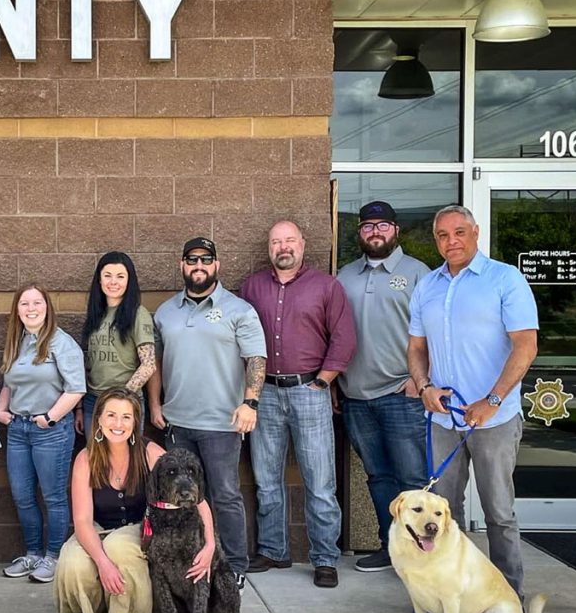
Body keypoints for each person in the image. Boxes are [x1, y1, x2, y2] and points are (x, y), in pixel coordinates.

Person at [408, 205, 538, 598]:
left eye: (459, 232)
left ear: (475, 232)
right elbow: (415, 348)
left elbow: (526, 345)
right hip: (445, 422)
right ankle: (453, 594)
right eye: (443, 235)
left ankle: (507, 599)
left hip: (493, 421)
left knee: (498, 513)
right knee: (443, 515)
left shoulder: (505, 279)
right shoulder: (427, 286)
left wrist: (492, 400)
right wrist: (424, 386)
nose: (451, 242)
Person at [240, 221, 355, 589]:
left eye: (289, 240)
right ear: (269, 247)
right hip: (265, 394)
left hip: (310, 390)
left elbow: (344, 336)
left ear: (302, 244)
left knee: (319, 481)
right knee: (266, 479)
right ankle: (274, 550)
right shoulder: (251, 287)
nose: (283, 246)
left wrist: (324, 381)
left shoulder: (326, 286)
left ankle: (324, 558)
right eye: (276, 241)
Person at [147, 237, 266, 589]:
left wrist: (251, 402)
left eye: (206, 260)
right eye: (191, 260)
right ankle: (192, 560)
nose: (198, 266)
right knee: (178, 497)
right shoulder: (166, 311)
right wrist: (154, 404)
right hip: (176, 422)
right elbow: (154, 363)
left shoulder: (239, 310)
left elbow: (256, 359)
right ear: (182, 265)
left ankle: (234, 565)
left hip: (222, 423)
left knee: (224, 494)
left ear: (216, 265)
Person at [54, 388, 216, 613]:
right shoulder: (86, 459)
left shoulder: (150, 453)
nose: (118, 424)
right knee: (73, 561)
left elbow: (197, 500)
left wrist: (210, 545)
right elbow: (83, 521)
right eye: (111, 415)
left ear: (135, 422)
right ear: (98, 419)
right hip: (98, 526)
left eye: (126, 417)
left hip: (140, 525)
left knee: (120, 547)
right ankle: (96, 611)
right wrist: (102, 563)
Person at [337, 201, 430, 572]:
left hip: (400, 393)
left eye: (383, 226)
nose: (375, 232)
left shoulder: (418, 274)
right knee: (378, 477)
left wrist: (419, 381)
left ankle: (424, 553)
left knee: (413, 479)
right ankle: (390, 547)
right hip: (356, 397)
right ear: (359, 233)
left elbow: (435, 334)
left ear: (396, 230)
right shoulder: (345, 275)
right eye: (367, 227)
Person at [0, 284, 86, 584]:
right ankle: (33, 554)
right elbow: (10, 381)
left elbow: (76, 389)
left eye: (37, 303)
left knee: (53, 497)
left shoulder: (61, 343)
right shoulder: (17, 341)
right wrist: (1, 409)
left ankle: (53, 556)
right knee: (22, 496)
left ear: (47, 307)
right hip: (18, 430)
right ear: (17, 310)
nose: (31, 308)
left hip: (51, 430)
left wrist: (50, 417)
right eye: (24, 303)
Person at [76, 252, 156, 438]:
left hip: (125, 403)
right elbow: (88, 363)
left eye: (120, 276)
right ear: (99, 280)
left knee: (126, 462)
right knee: (96, 462)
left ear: (129, 281)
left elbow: (149, 364)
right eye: (108, 275)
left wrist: (120, 397)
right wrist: (79, 406)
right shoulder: (96, 314)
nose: (113, 282)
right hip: (93, 401)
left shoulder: (138, 313)